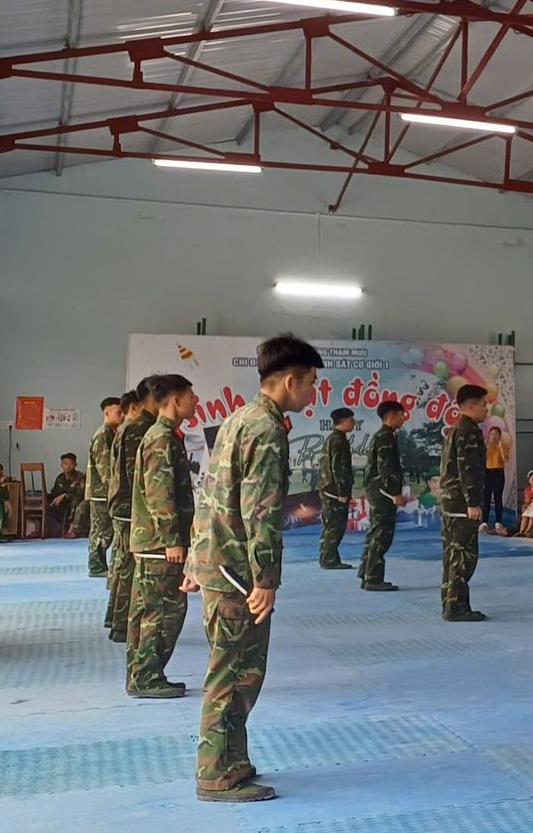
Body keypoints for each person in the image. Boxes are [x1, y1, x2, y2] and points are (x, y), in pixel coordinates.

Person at [190, 333, 320, 803]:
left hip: (218, 563)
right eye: (311, 382)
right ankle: (215, 774)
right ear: (289, 381)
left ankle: (231, 759)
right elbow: (261, 511)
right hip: (236, 573)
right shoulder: (265, 430)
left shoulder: (238, 419)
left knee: (235, 670)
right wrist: (265, 579)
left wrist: (195, 556)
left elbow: (208, 492)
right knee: (235, 674)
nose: (313, 392)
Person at [127, 373, 198, 700]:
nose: (195, 401)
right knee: (164, 614)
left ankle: (142, 674)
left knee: (148, 613)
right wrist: (172, 540)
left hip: (152, 542)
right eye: (191, 396)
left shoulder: (163, 436)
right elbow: (160, 493)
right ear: (176, 400)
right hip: (159, 544)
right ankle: (146, 677)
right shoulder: (161, 439)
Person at [107, 387, 156, 642]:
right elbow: (135, 476)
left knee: (122, 565)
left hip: (124, 505)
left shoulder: (130, 427)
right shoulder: (138, 428)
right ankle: (121, 625)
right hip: (129, 508)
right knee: (128, 568)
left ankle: (116, 619)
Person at [438, 386, 490, 622]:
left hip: (451, 501)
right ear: (471, 406)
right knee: (463, 556)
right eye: (483, 404)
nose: (486, 409)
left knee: (451, 554)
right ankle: (456, 606)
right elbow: (467, 469)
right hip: (461, 502)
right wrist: (473, 502)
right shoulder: (468, 431)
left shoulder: (454, 430)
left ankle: (450, 602)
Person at [361, 400, 406, 591]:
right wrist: (394, 493)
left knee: (376, 533)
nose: (403, 419)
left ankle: (366, 572)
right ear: (391, 415)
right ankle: (373, 578)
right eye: (401, 415)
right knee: (381, 536)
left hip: (379, 492)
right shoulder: (385, 437)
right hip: (383, 494)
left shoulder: (384, 436)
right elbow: (385, 468)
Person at [85, 397, 122, 578]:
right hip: (102, 492)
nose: (122, 415)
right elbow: (105, 468)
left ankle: (98, 565)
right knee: (102, 530)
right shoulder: (103, 435)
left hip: (104, 492)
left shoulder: (111, 433)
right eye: (118, 412)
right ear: (106, 413)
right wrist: (115, 490)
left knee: (104, 529)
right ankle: (96, 566)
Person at [317, 408, 355, 569]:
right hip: (334, 492)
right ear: (343, 421)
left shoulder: (333, 439)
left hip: (329, 489)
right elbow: (339, 468)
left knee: (331, 524)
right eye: (351, 420)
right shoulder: (339, 441)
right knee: (335, 525)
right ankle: (329, 560)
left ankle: (329, 557)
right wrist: (343, 491)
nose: (353, 423)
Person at [47, 452, 86, 539]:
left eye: (71, 464)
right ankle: (56, 531)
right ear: (61, 465)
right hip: (64, 504)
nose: (68, 466)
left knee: (75, 500)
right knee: (47, 502)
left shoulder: (81, 477)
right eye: (65, 464)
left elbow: (80, 494)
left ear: (75, 465)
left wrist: (65, 496)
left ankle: (72, 529)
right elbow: (55, 492)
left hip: (77, 503)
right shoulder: (60, 478)